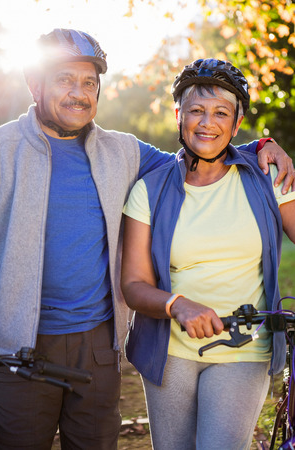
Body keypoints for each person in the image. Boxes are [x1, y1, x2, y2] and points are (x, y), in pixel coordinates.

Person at [0, 29, 292, 450]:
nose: (78, 93)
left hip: (97, 345)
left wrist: (263, 145)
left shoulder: (124, 153)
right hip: (17, 349)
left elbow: (205, 150)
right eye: (64, 79)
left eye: (89, 83)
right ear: (35, 84)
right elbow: (195, 143)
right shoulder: (0, 151)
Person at [121, 58, 295, 450]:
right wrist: (178, 305)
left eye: (220, 112)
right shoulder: (150, 189)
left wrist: (268, 145)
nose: (207, 123)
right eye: (196, 110)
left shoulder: (266, 176)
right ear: (179, 116)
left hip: (245, 348)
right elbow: (133, 285)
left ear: (235, 124)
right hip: (168, 349)